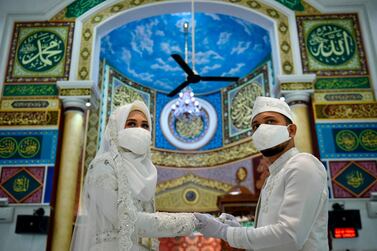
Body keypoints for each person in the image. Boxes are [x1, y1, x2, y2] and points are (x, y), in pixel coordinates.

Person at [195, 96, 328, 251]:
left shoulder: (302, 164)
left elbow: (289, 238)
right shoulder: (273, 177)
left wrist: (225, 232)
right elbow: (273, 240)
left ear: (291, 130)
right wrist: (240, 229)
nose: (262, 129)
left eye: (270, 121)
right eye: (256, 126)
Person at [70, 100, 197, 251]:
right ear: (116, 128)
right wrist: (193, 221)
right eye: (131, 124)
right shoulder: (103, 165)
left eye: (144, 126)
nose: (139, 130)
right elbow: (126, 219)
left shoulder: (147, 172)